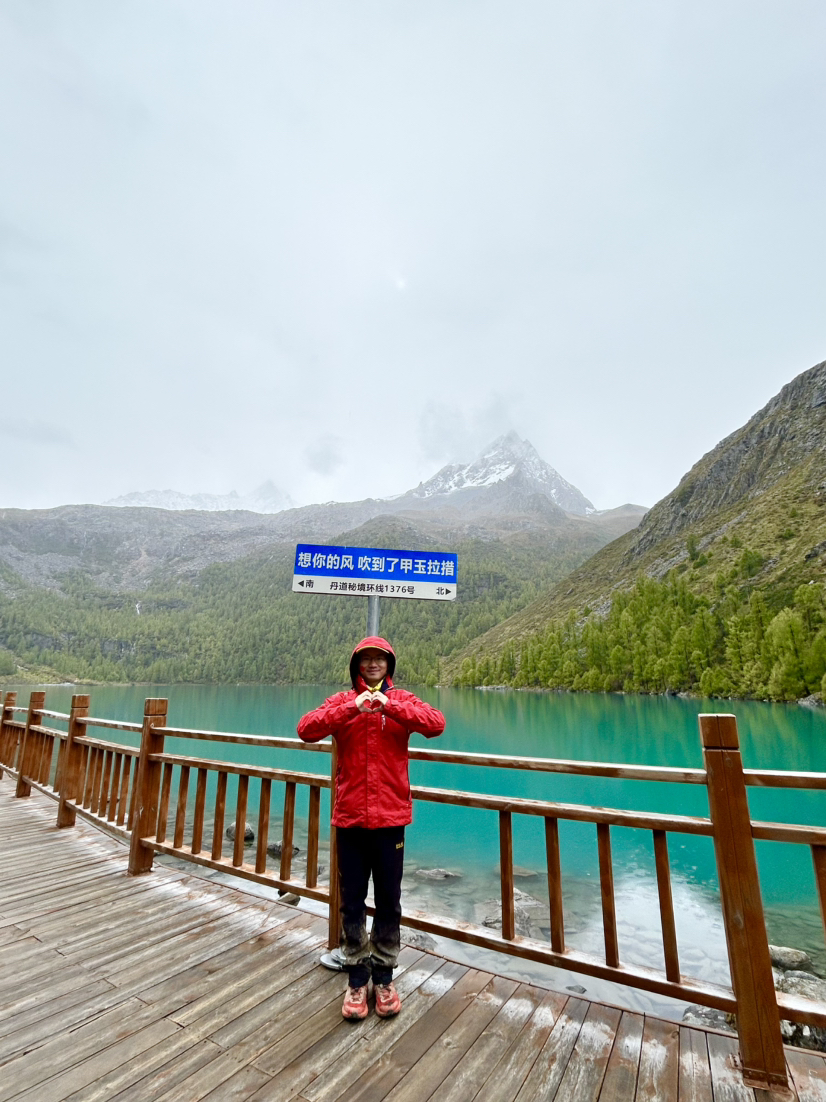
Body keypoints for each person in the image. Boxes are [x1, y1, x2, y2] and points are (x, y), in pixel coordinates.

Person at [297, 635, 445, 1020]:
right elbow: (306, 728)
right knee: (352, 901)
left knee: (389, 901)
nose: (374, 664)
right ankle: (356, 978)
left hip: (391, 818)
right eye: (367, 659)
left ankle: (384, 976)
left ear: (389, 664)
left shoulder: (402, 700)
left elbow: (436, 724)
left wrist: (390, 706)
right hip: (350, 818)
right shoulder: (342, 701)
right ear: (357, 666)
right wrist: (353, 707)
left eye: (380, 659)